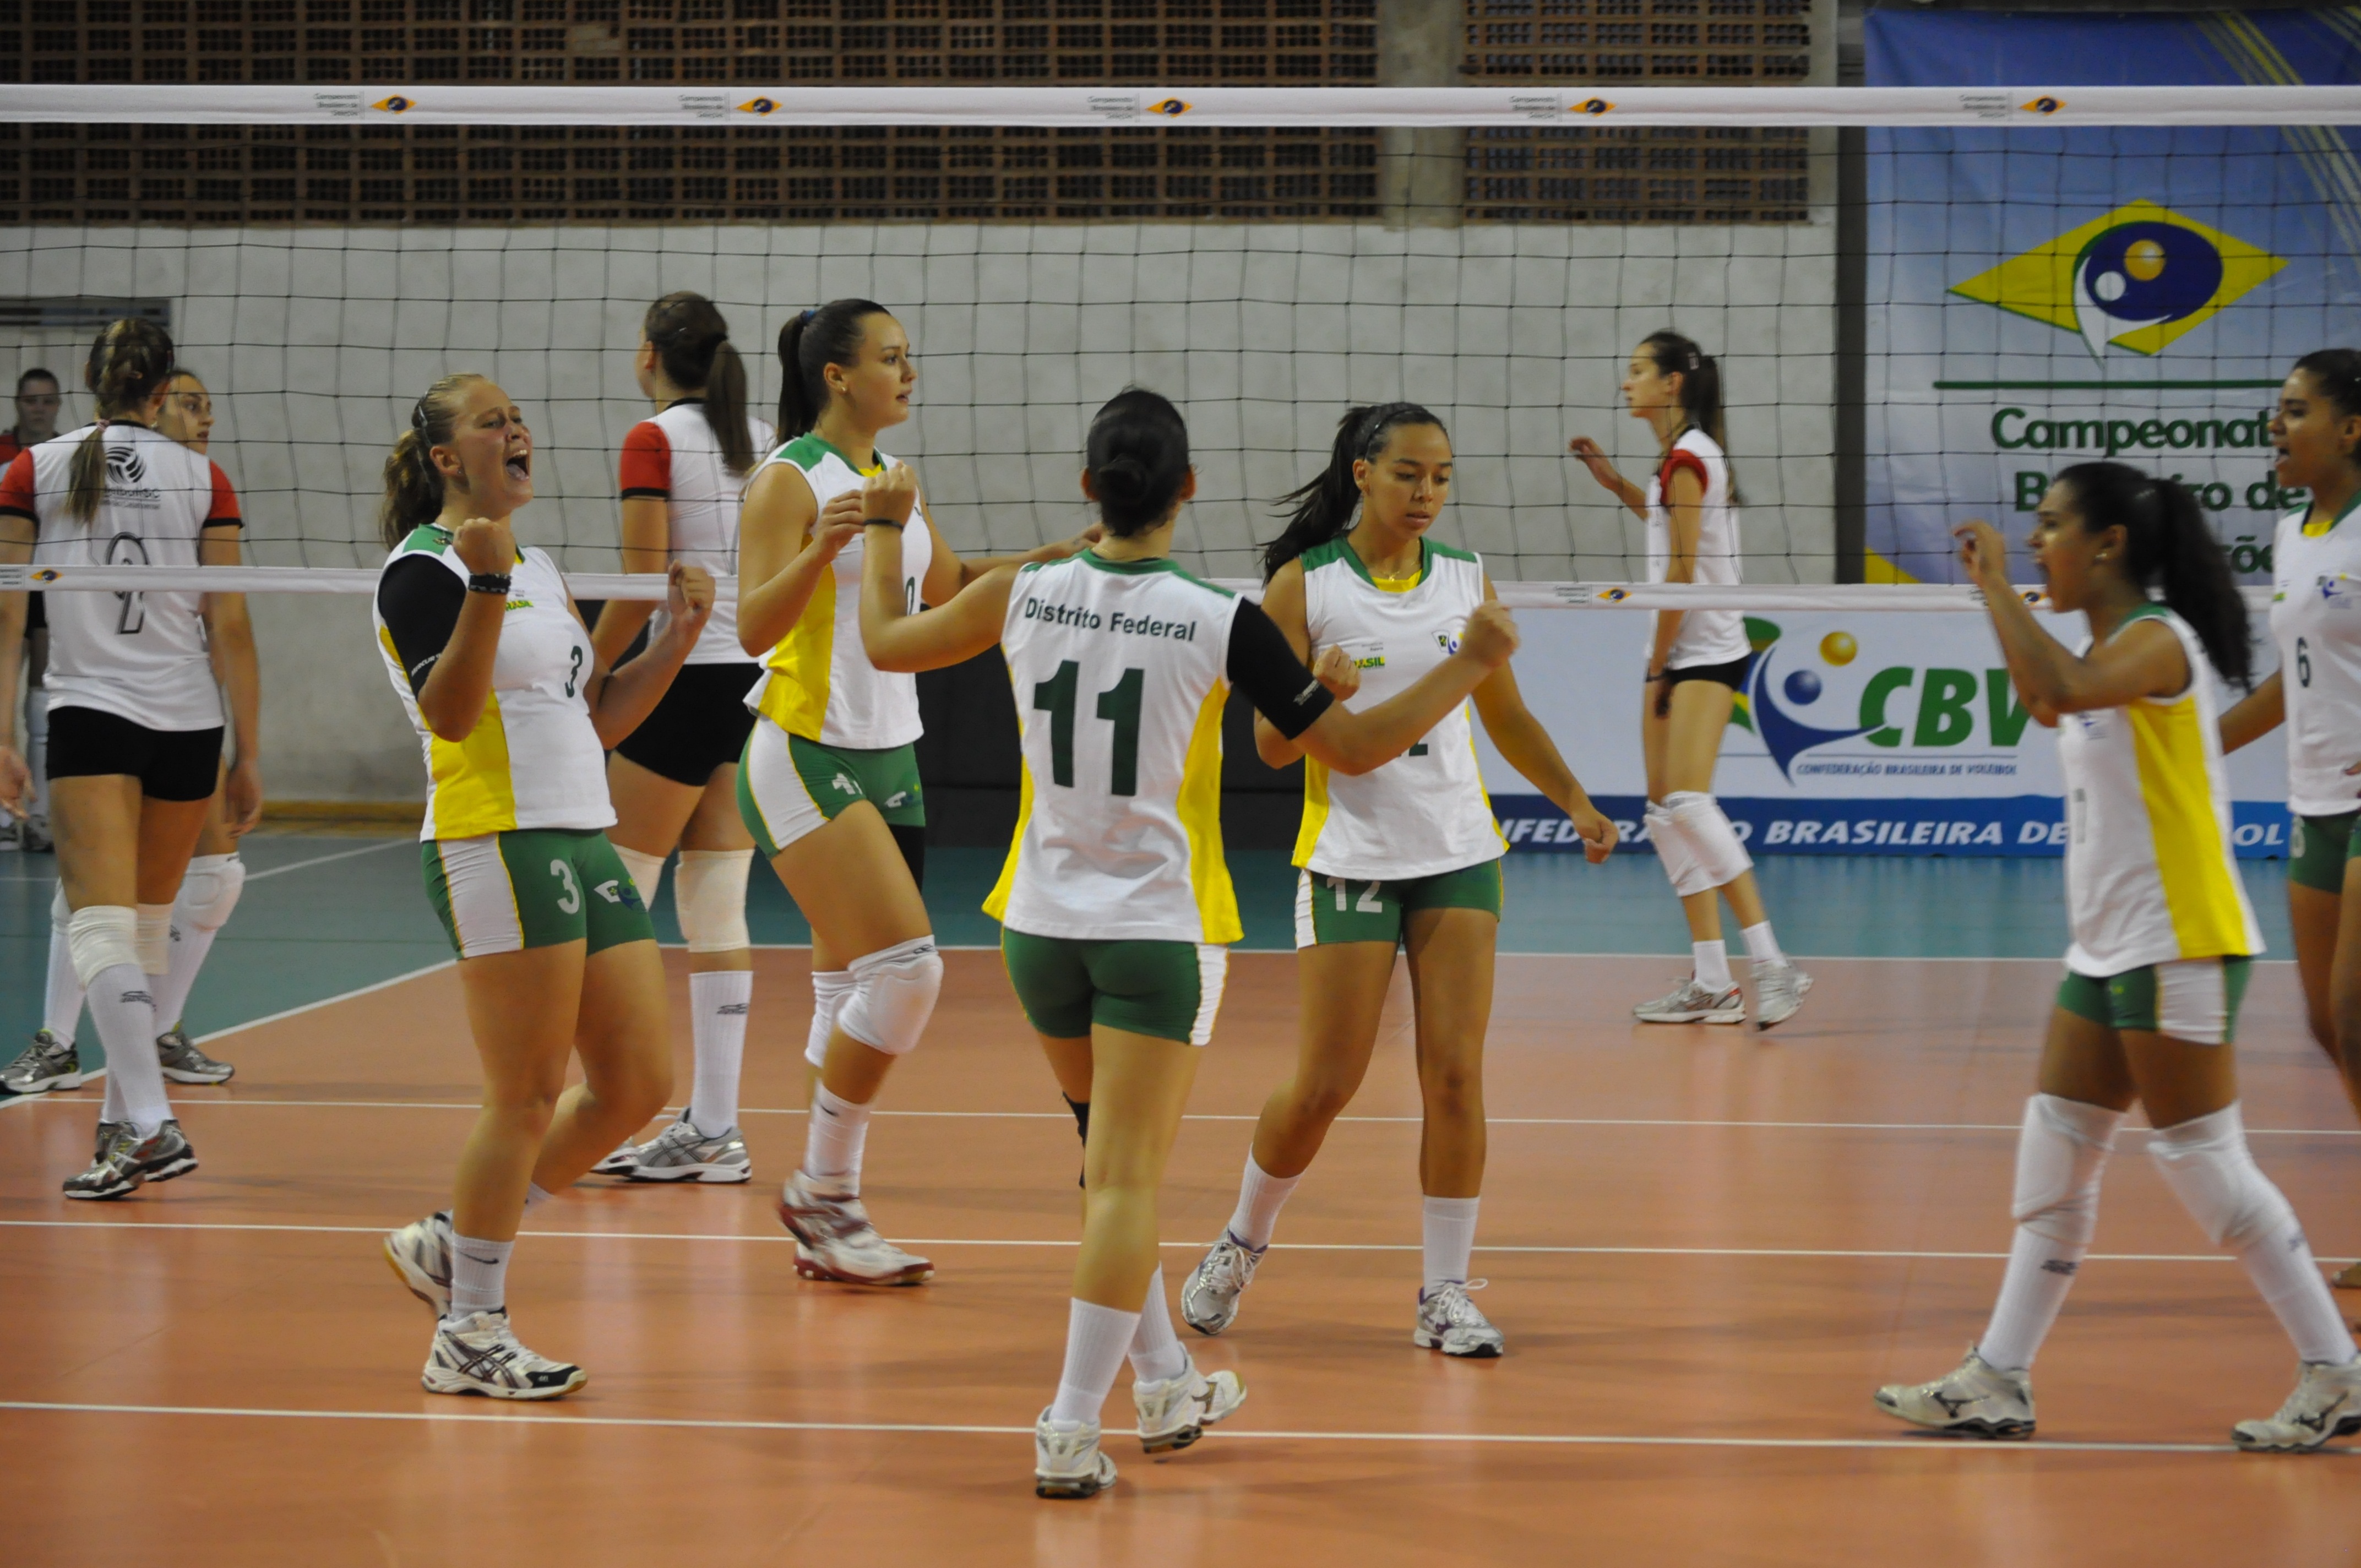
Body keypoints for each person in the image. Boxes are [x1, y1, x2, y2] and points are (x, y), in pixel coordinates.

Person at [854, 387, 1524, 1498]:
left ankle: (1164, 1378)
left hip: (1035, 927)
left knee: (1097, 1160)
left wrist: (885, 528)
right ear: (1187, 491)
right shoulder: (1217, 614)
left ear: (1086, 488)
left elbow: (883, 641)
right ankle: (1070, 1422)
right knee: (1122, 1183)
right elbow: (1346, 748)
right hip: (1154, 935)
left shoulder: (1022, 590)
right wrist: (1468, 663)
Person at [1876, 466, 2360, 1452]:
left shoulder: (2154, 643)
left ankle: (2336, 1369)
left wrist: (1999, 586)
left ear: (2104, 545)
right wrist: (1996, 594)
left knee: (2202, 1164)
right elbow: (2043, 696)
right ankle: (1998, 1376)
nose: (2036, 538)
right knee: (2054, 1142)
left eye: (2049, 525)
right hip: (2109, 939)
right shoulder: (2104, 642)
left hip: (2177, 935)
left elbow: (2054, 686)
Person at [1178, 403, 1618, 1359]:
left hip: (1457, 850)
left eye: (1442, 477)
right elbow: (1262, 742)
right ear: (1361, 472)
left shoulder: (1463, 580)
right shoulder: (1305, 586)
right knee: (1325, 1083)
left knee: (1455, 1074)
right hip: (1351, 857)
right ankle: (1242, 1239)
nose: (1427, 493)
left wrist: (1574, 796)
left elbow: (1502, 712)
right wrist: (1323, 696)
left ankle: (1444, 1292)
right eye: (1409, 473)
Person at [733, 298, 1092, 1284]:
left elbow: (951, 586)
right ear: (837, 375)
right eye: (890, 358)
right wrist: (819, 547)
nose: (909, 372)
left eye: (908, 356)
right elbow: (750, 631)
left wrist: (1052, 564)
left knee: (849, 985)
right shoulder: (789, 479)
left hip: (893, 752)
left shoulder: (892, 480)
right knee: (908, 971)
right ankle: (823, 1194)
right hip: (805, 747)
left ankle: (828, 1210)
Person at [373, 373, 711, 1399]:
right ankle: (469, 1325)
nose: (516, 428)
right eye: (490, 421)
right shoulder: (421, 571)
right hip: (494, 839)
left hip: (581, 831)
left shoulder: (540, 565)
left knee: (636, 1083)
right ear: (446, 459)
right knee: (521, 1092)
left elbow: (595, 717)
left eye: (519, 415)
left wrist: (677, 642)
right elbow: (450, 711)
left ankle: (452, 1242)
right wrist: (481, 588)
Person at [0, 322, 260, 1197]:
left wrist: (1, 733)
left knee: (102, 924)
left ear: (88, 381)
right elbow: (231, 625)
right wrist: (251, 752)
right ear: (162, 394)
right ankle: (123, 1127)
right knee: (140, 930)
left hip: (92, 716)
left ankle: (151, 1123)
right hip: (189, 725)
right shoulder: (205, 474)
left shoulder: (31, 471)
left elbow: (5, 619)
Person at [584, 294, 775, 1184]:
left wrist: (584, 675)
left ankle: (597, 1108)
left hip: (679, 673)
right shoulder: (766, 437)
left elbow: (636, 579)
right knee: (716, 906)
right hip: (752, 685)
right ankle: (716, 1128)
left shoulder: (651, 439)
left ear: (649, 355)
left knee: (615, 900)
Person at [1568, 331, 1809, 1028]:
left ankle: (1772, 963)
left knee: (1687, 799)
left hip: (1701, 650)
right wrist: (1615, 482)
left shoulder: (1688, 457)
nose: (1626, 383)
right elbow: (1676, 536)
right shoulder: (1683, 460)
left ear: (1672, 383)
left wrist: (1659, 663)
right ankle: (1712, 980)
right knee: (1662, 811)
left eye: (1638, 370)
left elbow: (1679, 574)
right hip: (1677, 648)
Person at [2219, 348, 2361, 1288]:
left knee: (2354, 1008)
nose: (2276, 425)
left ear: (2350, 429)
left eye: (2295, 410)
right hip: (2311, 799)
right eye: (2276, 409)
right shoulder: (2289, 534)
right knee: (2323, 1023)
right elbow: (2293, 678)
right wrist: (2199, 748)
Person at [2, 367, 62, 853]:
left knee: (43, 693)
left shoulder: (70, 456)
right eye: (30, 400)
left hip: (49, 583)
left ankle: (39, 815)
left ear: (57, 406)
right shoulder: (2, 454)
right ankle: (4, 811)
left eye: (46, 401)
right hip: (3, 579)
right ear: (18, 404)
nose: (38, 408)